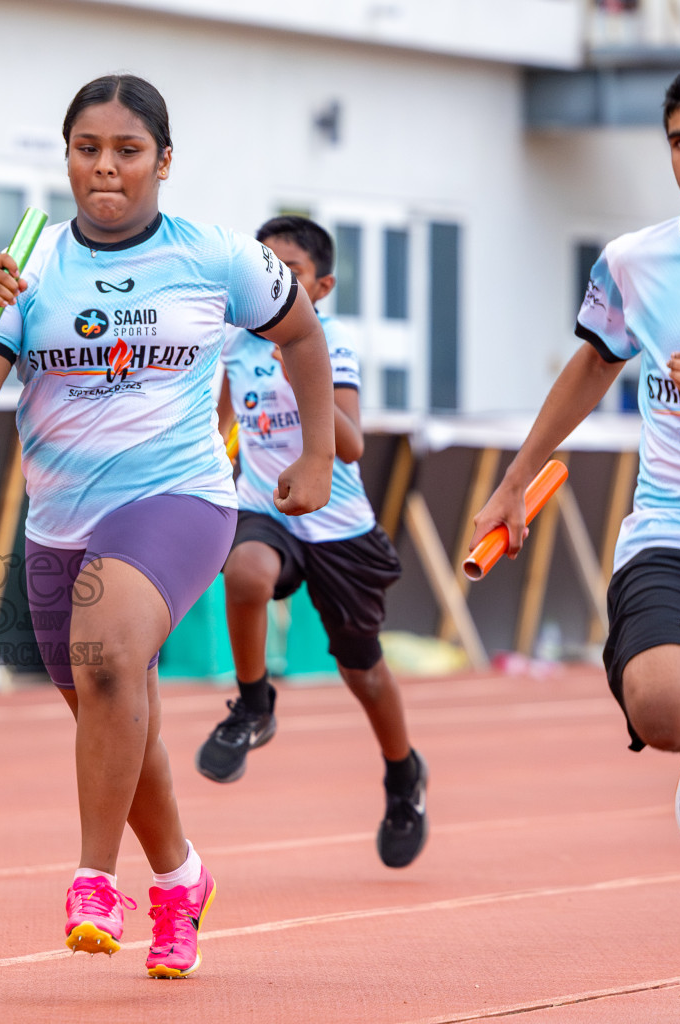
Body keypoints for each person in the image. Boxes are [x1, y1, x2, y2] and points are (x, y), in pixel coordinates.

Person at [0, 75, 337, 978]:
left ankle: (92, 880)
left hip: (179, 498)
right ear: (67, 159)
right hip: (59, 523)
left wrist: (317, 455)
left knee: (111, 659)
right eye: (88, 150)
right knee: (114, 711)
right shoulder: (29, 266)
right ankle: (181, 879)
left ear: (163, 161)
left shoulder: (216, 254)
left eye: (128, 150)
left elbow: (302, 335)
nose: (106, 167)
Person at [470, 59, 680, 862]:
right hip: (675, 532)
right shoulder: (634, 263)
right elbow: (593, 363)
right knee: (663, 711)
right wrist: (515, 480)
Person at [194, 216, 428, 869]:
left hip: (337, 524)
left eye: (289, 272)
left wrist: (303, 376)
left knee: (363, 672)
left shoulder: (331, 340)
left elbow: (350, 444)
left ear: (321, 287)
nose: (271, 281)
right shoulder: (236, 343)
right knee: (245, 572)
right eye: (262, 267)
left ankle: (403, 773)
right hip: (266, 505)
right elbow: (219, 424)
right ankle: (253, 704)